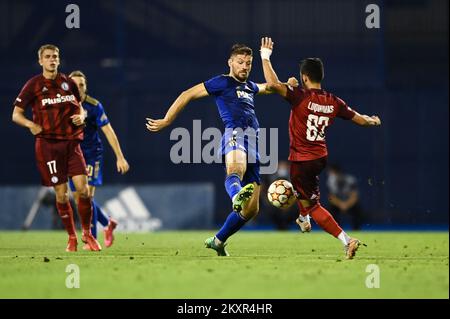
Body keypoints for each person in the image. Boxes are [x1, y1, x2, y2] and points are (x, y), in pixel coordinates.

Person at [147, 44, 277, 256]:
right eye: (240, 62)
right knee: (236, 169)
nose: (244, 66)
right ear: (230, 63)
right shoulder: (222, 82)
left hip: (255, 141)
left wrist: (283, 80)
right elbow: (187, 93)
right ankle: (236, 196)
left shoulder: (250, 86)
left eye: (248, 63)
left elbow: (270, 86)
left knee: (252, 209)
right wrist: (167, 119)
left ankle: (218, 240)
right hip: (235, 134)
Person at [260, 37, 381, 259]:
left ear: (304, 77)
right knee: (306, 195)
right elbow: (360, 120)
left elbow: (272, 85)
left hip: (301, 159)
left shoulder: (300, 96)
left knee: (313, 205)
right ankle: (303, 218)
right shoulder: (333, 101)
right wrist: (372, 120)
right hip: (319, 158)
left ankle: (346, 239)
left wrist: (265, 57)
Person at [12, 44, 101, 252]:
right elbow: (15, 114)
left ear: (59, 60)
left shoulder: (68, 83)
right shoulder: (33, 85)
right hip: (48, 147)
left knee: (84, 191)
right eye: (48, 57)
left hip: (71, 144)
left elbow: (80, 105)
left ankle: (87, 233)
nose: (52, 60)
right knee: (61, 195)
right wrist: (31, 125)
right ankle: (71, 237)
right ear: (41, 61)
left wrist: (82, 116)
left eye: (55, 57)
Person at [68, 70, 130, 249]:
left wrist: (120, 157)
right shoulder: (63, 105)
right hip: (72, 155)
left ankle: (91, 238)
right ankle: (108, 222)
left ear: (86, 87)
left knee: (87, 195)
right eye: (74, 85)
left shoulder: (94, 106)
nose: (78, 88)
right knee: (79, 199)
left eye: (81, 85)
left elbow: (108, 131)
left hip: (91, 154)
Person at [326, 164, 363, 230]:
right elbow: (331, 198)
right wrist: (341, 204)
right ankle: (336, 230)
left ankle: (356, 230)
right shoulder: (331, 181)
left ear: (335, 172)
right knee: (330, 211)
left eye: (331, 172)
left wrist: (346, 204)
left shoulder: (350, 180)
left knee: (358, 211)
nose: (329, 174)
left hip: (349, 203)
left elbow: (354, 196)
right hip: (338, 203)